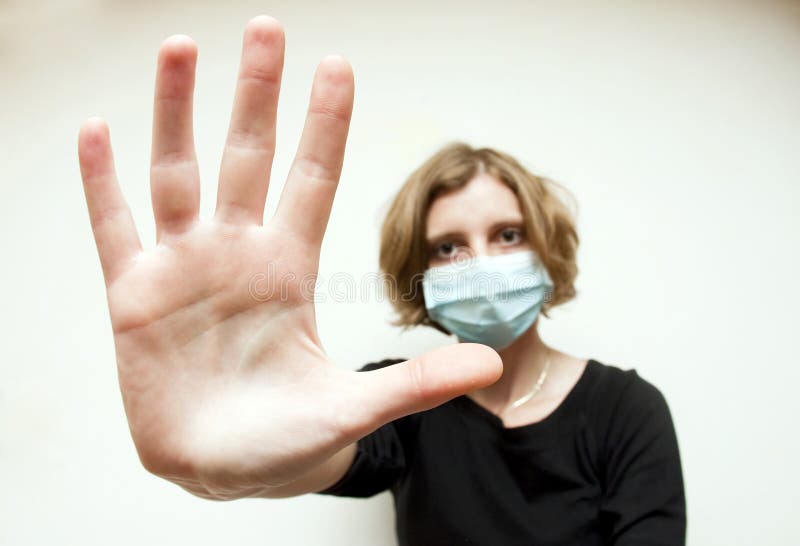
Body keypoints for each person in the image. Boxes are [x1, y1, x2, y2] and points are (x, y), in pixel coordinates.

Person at [77, 15, 685, 546]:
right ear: (418, 276)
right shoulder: (400, 404)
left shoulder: (627, 411)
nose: (479, 263)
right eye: (448, 247)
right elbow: (311, 456)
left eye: (507, 235)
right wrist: (219, 440)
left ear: (548, 249)